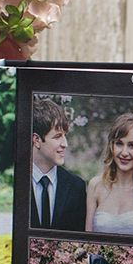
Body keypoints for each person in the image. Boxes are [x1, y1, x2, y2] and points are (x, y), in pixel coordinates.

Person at [30, 98, 86, 231]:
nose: (65, 144)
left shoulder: (76, 187)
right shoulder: (18, 182)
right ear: (36, 140)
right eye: (57, 137)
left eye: (65, 136)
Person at [85, 113, 133, 235]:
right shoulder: (95, 185)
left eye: (132, 145)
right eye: (119, 143)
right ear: (111, 146)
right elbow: (87, 237)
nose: (124, 152)